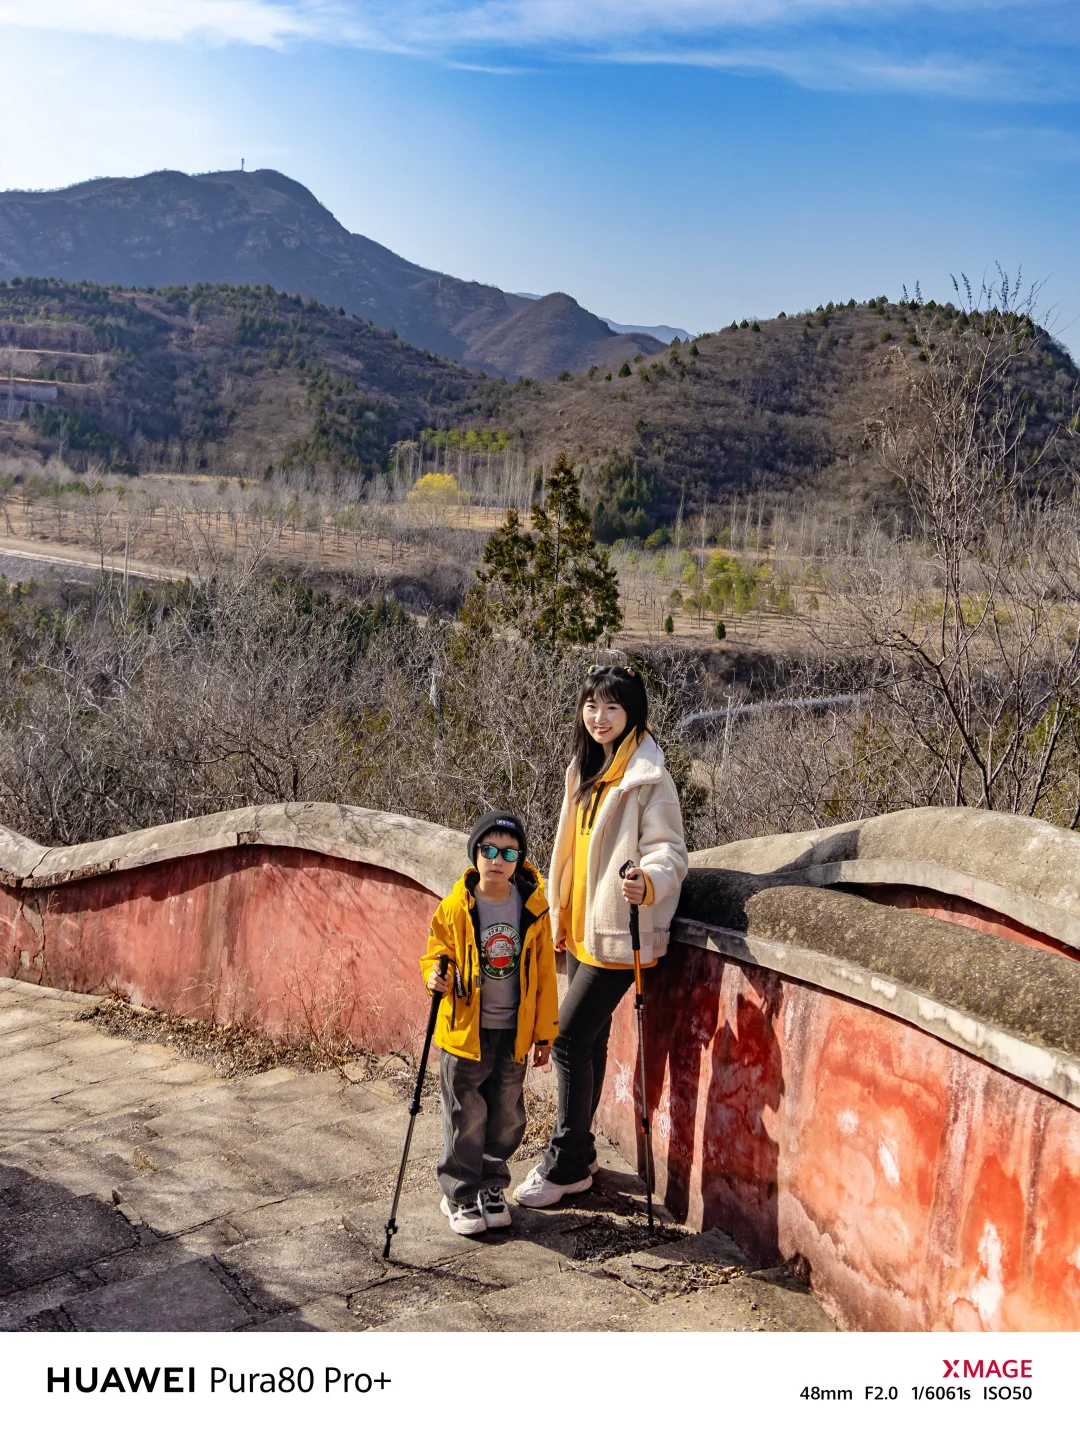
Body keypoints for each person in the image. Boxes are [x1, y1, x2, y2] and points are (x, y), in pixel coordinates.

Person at [512, 666, 688, 1208]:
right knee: (588, 1041)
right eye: (592, 706)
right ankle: (582, 1155)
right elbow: (570, 847)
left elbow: (670, 851)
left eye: (612, 708)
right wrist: (558, 911)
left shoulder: (647, 777)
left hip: (620, 930)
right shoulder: (585, 767)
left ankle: (564, 1162)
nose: (599, 718)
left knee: (566, 1040)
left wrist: (650, 882)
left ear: (633, 711)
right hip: (584, 927)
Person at [420, 811, 558, 1235]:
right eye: (490, 850)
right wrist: (434, 976)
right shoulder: (456, 907)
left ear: (519, 859)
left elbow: (546, 975)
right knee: (465, 1113)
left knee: (507, 1113)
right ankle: (460, 1193)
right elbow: (435, 952)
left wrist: (545, 1033)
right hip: (466, 1030)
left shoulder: (532, 907)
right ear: (476, 854)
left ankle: (493, 1186)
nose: (498, 859)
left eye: (509, 852)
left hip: (513, 1032)